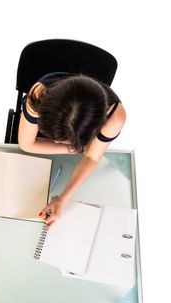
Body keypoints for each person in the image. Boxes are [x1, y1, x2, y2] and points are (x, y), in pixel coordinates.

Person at [18, 72, 126, 228]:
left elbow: (92, 157)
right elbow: (26, 144)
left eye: (63, 141)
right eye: (56, 140)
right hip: (59, 124)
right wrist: (73, 149)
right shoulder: (39, 95)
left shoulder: (116, 117)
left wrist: (63, 198)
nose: (55, 142)